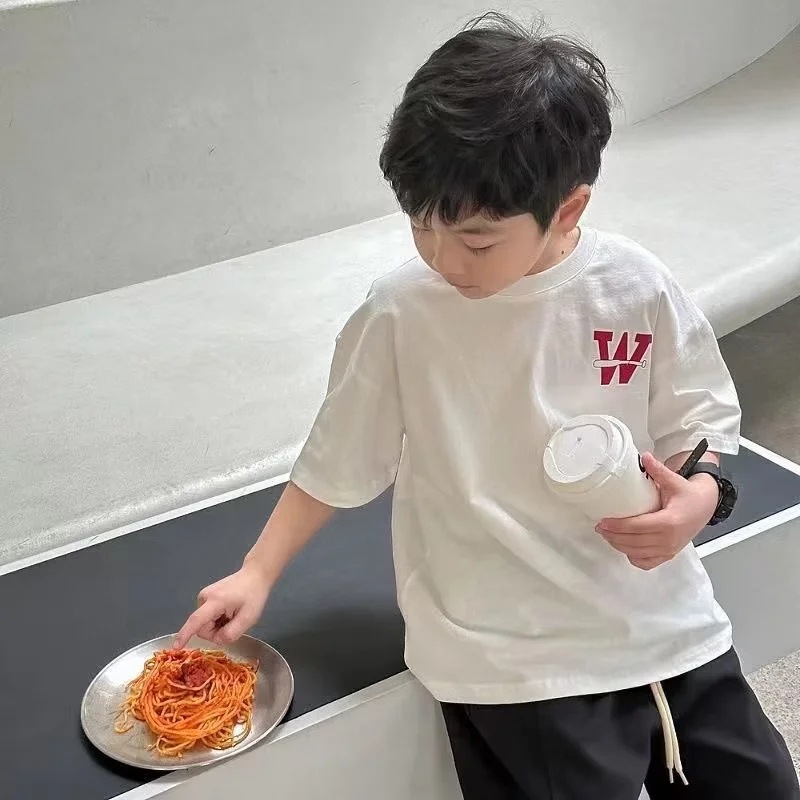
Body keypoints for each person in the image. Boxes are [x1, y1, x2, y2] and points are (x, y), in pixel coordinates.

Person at [175, 13, 799, 799]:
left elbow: (699, 414)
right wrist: (256, 572)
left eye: (475, 240)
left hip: (662, 616)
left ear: (568, 210)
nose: (442, 259)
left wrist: (698, 498)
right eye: (420, 225)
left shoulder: (634, 286)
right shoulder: (401, 313)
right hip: (514, 654)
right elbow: (336, 458)